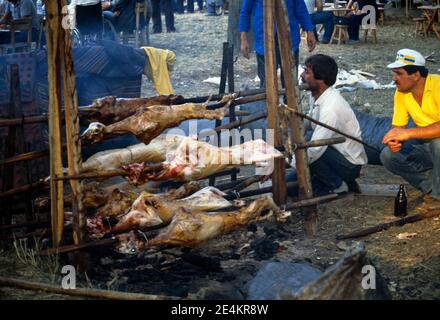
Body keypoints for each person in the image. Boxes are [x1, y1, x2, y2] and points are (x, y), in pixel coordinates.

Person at [287, 54, 368, 196]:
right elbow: (311, 123)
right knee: (289, 186)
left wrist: (289, 162)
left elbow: (315, 149)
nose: (302, 76)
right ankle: (337, 181)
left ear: (321, 78)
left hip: (348, 164)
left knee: (309, 146)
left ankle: (337, 184)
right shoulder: (319, 95)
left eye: (307, 72)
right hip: (334, 154)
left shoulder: (331, 108)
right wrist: (290, 122)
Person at [380, 48, 440, 210]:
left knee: (437, 143)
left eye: (399, 74)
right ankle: (432, 187)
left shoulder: (438, 85)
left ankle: (437, 196)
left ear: (416, 75)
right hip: (428, 145)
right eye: (394, 74)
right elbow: (398, 127)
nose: (394, 79)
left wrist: (408, 133)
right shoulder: (401, 93)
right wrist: (394, 140)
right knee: (388, 155)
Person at [239, 0, 316, 88]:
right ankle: (267, 101)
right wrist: (243, 39)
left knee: (290, 81)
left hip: (289, 37)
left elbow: (300, 8)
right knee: (266, 81)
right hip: (264, 39)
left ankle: (289, 101)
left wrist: (309, 31)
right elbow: (245, 11)